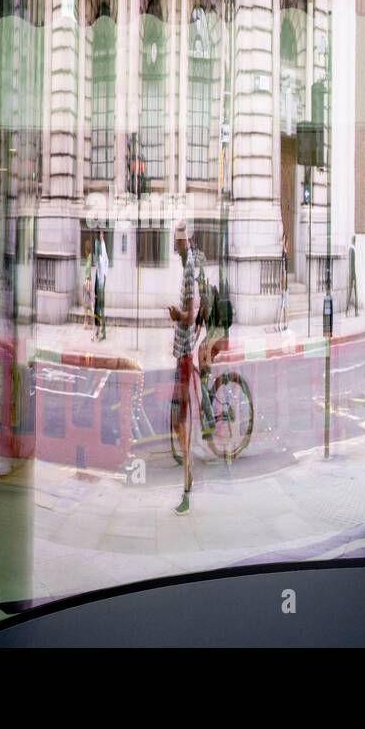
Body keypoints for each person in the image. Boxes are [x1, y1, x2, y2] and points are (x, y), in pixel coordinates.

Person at [170, 220, 205, 516]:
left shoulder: (189, 268)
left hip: (184, 353)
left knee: (179, 420)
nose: (174, 245)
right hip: (183, 351)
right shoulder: (188, 266)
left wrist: (176, 314)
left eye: (177, 241)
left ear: (185, 241)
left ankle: (187, 482)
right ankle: (187, 475)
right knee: (178, 419)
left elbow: (190, 315)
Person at [92, 233, 109, 341]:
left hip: (100, 284)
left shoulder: (102, 257)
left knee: (99, 309)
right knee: (98, 310)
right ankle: (99, 332)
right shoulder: (99, 258)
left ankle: (99, 333)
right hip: (99, 283)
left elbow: (104, 262)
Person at [345, 234, 359, 316]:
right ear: (355, 241)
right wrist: (353, 277)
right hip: (352, 274)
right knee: (352, 292)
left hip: (352, 273)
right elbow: (352, 265)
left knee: (353, 292)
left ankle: (353, 311)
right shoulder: (352, 250)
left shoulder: (351, 249)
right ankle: (349, 310)